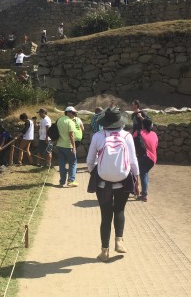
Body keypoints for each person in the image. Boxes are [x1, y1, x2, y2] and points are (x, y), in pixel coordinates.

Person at [88, 108, 142, 261]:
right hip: (122, 181)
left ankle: (104, 252)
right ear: (121, 122)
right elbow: (133, 161)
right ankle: (119, 241)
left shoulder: (98, 136)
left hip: (103, 183)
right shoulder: (127, 136)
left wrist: (97, 172)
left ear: (104, 122)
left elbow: (90, 161)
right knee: (119, 210)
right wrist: (136, 179)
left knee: (105, 216)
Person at [55, 106, 84, 187]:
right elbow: (71, 135)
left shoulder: (59, 120)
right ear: (68, 112)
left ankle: (62, 181)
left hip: (60, 145)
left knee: (61, 164)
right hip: (69, 146)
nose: (74, 114)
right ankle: (71, 180)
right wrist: (74, 147)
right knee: (73, 163)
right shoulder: (70, 122)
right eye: (73, 113)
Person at [134, 117, 158, 201]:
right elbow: (155, 145)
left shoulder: (138, 133)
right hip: (153, 158)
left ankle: (144, 195)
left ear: (143, 125)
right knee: (145, 173)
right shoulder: (154, 134)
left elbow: (133, 144)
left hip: (143, 156)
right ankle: (144, 192)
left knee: (143, 174)